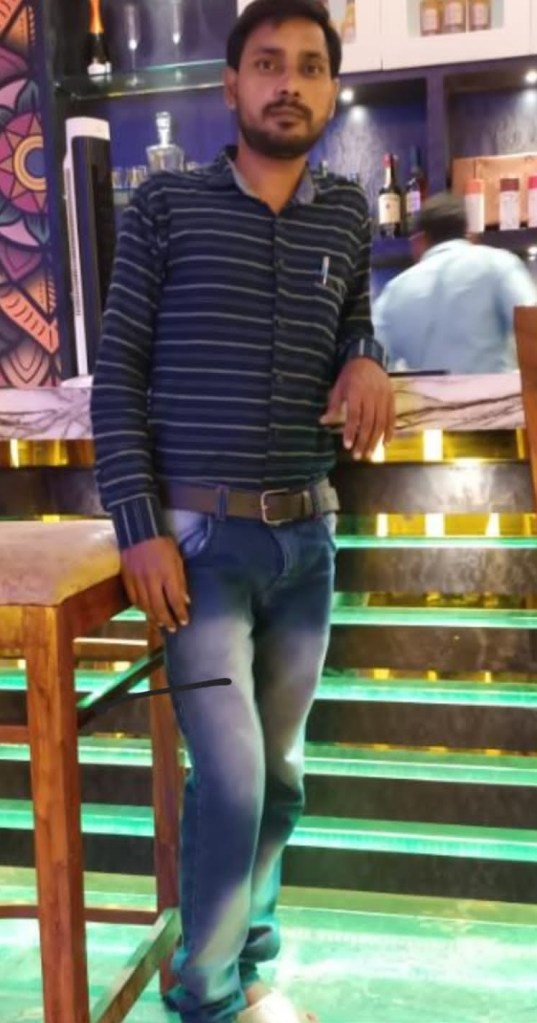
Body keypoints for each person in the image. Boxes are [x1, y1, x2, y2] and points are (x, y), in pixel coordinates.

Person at [90, 2, 394, 1021]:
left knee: (282, 774)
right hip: (200, 546)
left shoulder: (345, 213)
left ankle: (248, 956)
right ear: (231, 85)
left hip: (308, 538)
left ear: (331, 90)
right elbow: (118, 374)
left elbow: (354, 319)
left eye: (310, 67)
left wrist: (368, 356)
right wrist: (138, 526)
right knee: (231, 777)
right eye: (268, 64)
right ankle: (208, 997)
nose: (288, 83)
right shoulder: (167, 207)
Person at [373, 191, 537, 374]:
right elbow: (533, 326)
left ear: (419, 241)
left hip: (424, 393)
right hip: (496, 391)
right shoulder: (498, 265)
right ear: (470, 234)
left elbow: (373, 362)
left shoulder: (394, 291)